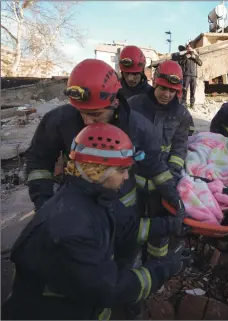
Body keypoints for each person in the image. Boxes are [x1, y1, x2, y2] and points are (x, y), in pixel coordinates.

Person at [1, 124, 191, 320]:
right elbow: (109, 290)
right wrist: (166, 267)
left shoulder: (95, 197)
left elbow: (128, 227)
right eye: (122, 170)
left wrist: (173, 224)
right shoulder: (72, 227)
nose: (127, 177)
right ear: (98, 171)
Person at [25, 59, 185, 269]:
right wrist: (44, 203)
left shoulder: (137, 127)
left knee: (122, 264)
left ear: (115, 102)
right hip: (77, 211)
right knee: (82, 269)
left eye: (96, 114)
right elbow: (39, 161)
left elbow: (154, 164)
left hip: (124, 211)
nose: (87, 121)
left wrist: (171, 193)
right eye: (81, 112)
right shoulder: (60, 120)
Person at [128, 60, 191, 261]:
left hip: (162, 183)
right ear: (155, 83)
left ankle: (156, 266)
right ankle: (130, 261)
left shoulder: (180, 114)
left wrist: (170, 177)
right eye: (163, 88)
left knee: (160, 227)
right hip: (133, 180)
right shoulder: (134, 105)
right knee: (131, 224)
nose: (167, 95)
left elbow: (179, 147)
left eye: (172, 91)